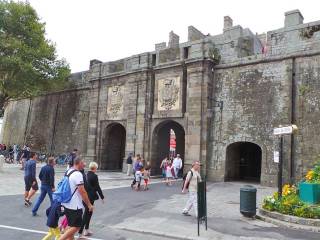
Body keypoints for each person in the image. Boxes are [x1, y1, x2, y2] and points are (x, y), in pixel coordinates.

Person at [59, 157, 93, 240]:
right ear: (79, 163)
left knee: (71, 225)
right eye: (83, 162)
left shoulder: (69, 171)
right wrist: (89, 204)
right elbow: (82, 191)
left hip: (66, 202)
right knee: (77, 226)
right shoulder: (78, 174)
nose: (84, 164)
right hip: (74, 205)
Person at [78, 162, 104, 238]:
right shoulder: (94, 176)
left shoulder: (86, 175)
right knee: (86, 214)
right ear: (95, 168)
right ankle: (80, 232)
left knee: (89, 212)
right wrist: (102, 197)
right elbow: (97, 187)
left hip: (85, 196)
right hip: (90, 197)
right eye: (96, 168)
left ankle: (86, 229)